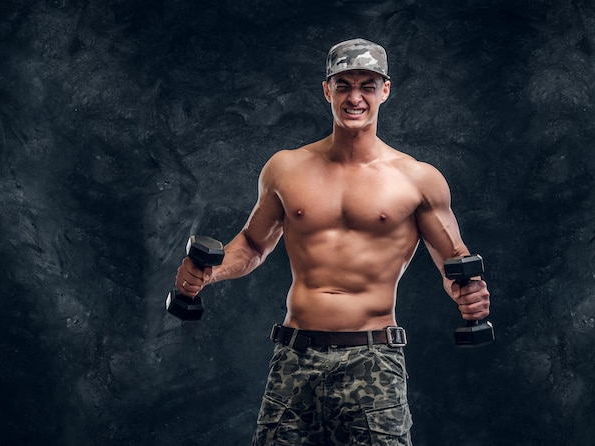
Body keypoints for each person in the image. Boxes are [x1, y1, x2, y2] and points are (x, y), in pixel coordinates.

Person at [175, 38, 491, 446]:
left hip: (373, 360)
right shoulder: (285, 169)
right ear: (327, 90)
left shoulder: (417, 179)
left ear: (385, 90)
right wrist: (209, 273)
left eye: (367, 85)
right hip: (294, 356)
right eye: (343, 85)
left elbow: (455, 262)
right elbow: (253, 245)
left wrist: (469, 296)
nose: (355, 97)